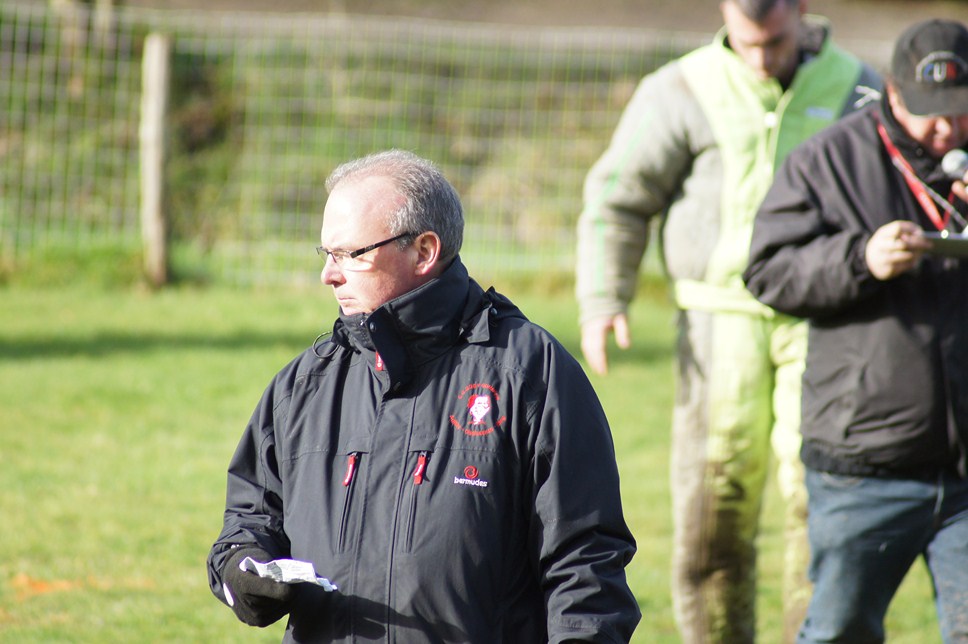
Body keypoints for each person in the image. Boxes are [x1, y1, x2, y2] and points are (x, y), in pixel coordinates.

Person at [206, 149, 641, 642]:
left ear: (424, 251)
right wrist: (245, 572)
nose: (329, 274)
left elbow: (586, 567)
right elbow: (247, 524)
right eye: (326, 254)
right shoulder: (303, 385)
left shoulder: (530, 374)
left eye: (350, 254)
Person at [575, 0, 881, 641]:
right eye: (748, 43)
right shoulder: (678, 90)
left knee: (819, 501)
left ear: (801, 10)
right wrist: (605, 297)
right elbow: (618, 197)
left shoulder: (860, 88)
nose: (761, 57)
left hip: (827, 317)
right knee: (715, 512)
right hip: (719, 324)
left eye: (773, 41)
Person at [743, 18, 968, 643]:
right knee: (840, 631)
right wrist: (859, 260)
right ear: (892, 93)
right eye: (928, 113)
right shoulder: (827, 159)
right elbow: (766, 271)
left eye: (959, 110)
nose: (946, 128)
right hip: (863, 464)